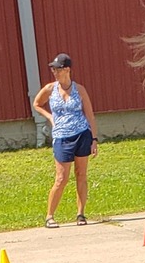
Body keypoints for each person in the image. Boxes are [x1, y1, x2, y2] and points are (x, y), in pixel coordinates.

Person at [31, 55, 98, 225]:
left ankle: (81, 214)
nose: (55, 72)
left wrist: (94, 139)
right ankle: (49, 216)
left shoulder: (80, 90)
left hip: (82, 135)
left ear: (67, 69)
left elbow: (89, 115)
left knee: (81, 174)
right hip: (62, 137)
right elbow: (37, 104)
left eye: (58, 69)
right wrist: (50, 117)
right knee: (61, 178)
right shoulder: (50, 89)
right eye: (53, 69)